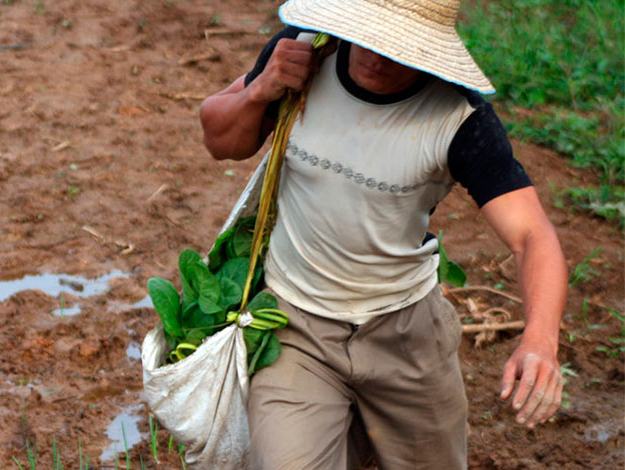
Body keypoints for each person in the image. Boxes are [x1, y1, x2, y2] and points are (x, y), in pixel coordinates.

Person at [199, 1, 567, 469]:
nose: (375, 56)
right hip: (294, 324)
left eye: (397, 47)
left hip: (405, 335)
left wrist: (540, 341)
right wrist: (259, 93)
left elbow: (532, 236)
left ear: (428, 50)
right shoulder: (304, 54)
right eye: (368, 37)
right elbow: (220, 140)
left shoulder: (458, 119)